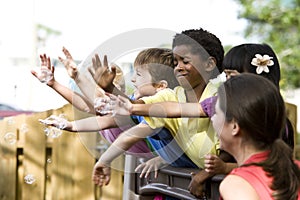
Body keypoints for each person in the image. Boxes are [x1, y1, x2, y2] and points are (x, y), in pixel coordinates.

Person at [91, 28, 230, 198]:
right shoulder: (171, 95)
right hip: (190, 176)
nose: (178, 67)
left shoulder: (221, 95)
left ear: (209, 64)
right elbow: (136, 109)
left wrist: (206, 174)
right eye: (175, 62)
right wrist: (110, 89)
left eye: (185, 61)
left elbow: (232, 146)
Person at [38, 47, 180, 159]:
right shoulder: (134, 107)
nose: (132, 79)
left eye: (138, 74)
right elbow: (91, 108)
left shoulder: (161, 106)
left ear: (160, 86)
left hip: (160, 162)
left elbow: (95, 105)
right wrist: (56, 84)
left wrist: (76, 77)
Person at [213, 73, 300, 200]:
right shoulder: (294, 168)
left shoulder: (237, 185)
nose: (212, 119)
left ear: (234, 126)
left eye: (216, 113)